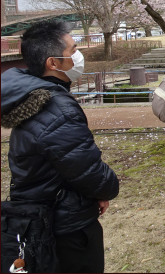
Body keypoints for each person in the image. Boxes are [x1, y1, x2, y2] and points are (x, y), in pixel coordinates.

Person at [0, 20, 119, 273]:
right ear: (52, 63)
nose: (79, 55)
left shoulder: (31, 94)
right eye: (73, 49)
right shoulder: (56, 107)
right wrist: (106, 189)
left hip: (44, 214)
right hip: (65, 226)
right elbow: (87, 170)